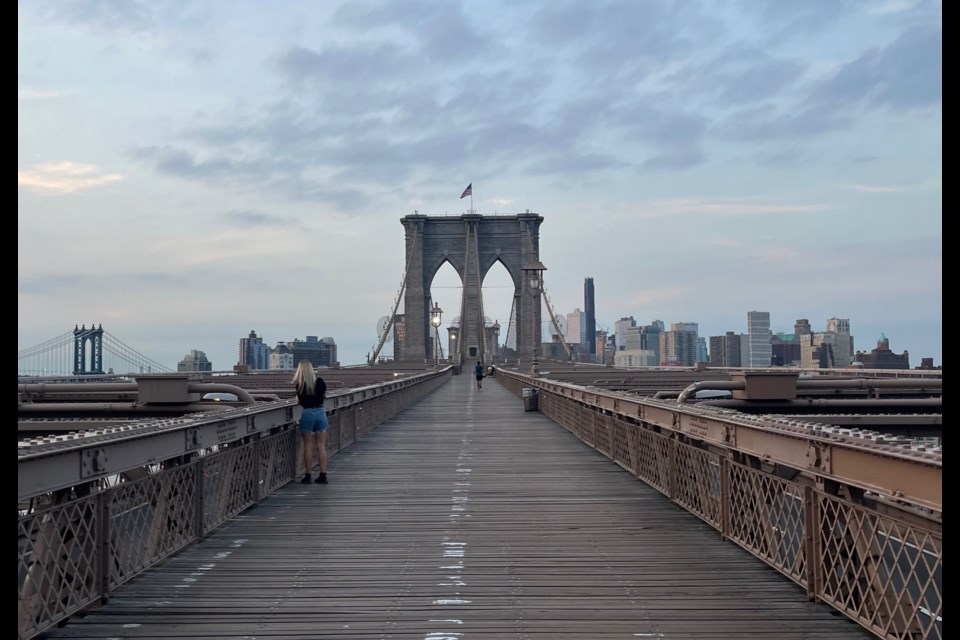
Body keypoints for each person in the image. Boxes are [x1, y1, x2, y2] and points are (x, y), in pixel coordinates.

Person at [293, 360, 329, 484]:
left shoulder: (299, 385)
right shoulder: (320, 382)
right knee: (321, 445)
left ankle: (308, 476)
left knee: (307, 446)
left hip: (307, 413)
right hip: (320, 412)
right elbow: (323, 396)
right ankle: (323, 475)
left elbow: (299, 402)